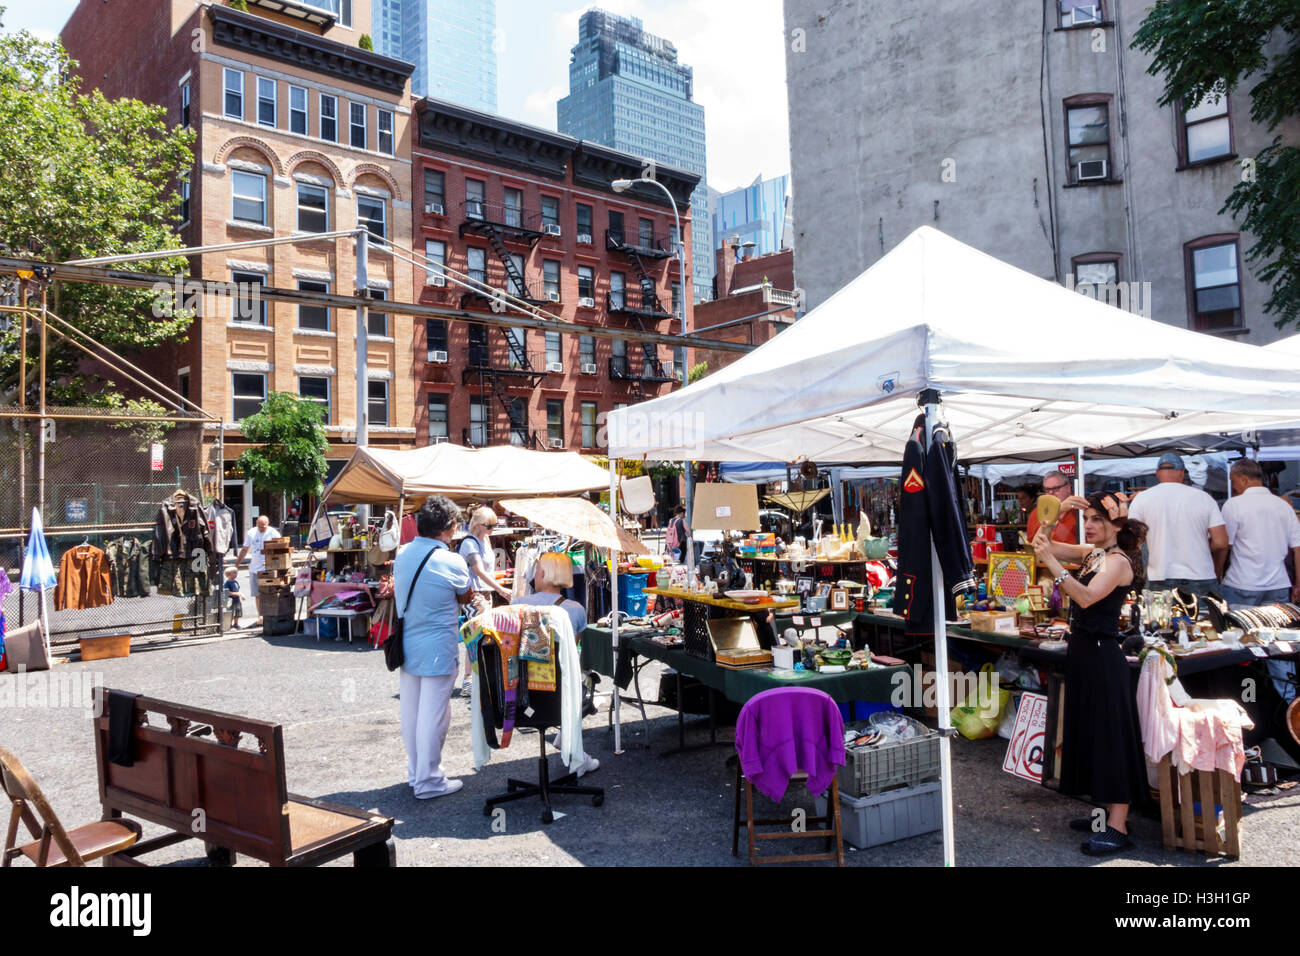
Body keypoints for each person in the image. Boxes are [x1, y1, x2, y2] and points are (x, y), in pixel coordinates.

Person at [1033, 492, 1150, 856]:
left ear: (1118, 523)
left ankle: (1118, 825)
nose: (1091, 525)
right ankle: (1105, 815)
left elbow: (1085, 597)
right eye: (1089, 519)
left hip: (1102, 656)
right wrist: (1057, 513)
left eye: (1099, 519)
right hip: (1084, 653)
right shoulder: (1094, 554)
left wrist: (1053, 564)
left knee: (1111, 738)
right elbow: (1040, 544)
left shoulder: (1118, 561)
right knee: (1092, 735)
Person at [394, 496, 485, 799]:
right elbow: (467, 596)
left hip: (406, 644)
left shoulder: (403, 553)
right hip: (436, 647)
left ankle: (416, 772)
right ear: (448, 528)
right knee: (434, 715)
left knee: (412, 712)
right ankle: (429, 780)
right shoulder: (451, 559)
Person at [510, 552, 600, 775]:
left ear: (541, 573)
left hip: (520, 689)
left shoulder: (518, 605)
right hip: (558, 693)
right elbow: (569, 655)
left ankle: (571, 747)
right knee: (579, 682)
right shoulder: (576, 610)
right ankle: (574, 750)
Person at [1221, 458, 1300, 704]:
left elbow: (1225, 545)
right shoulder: (1283, 506)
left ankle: (1250, 703)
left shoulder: (1234, 505)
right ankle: (1288, 706)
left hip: (1241, 584)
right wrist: (1298, 583)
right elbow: (1298, 548)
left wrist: (1218, 572)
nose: (1234, 487)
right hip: (1278, 584)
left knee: (1244, 648)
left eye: (1234, 482)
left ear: (1243, 479)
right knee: (1280, 648)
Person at [1127, 452, 1228, 596]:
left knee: (1163, 618)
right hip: (1201, 575)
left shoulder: (1141, 499)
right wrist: (1202, 547)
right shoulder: (1204, 498)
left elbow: (1133, 539)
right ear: (1182, 472)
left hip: (1160, 576)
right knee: (1203, 618)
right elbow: (1221, 542)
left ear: (1157, 473)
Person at [458, 506, 510, 697]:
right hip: (474, 594)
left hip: (485, 592)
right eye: (489, 526)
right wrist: (501, 589)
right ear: (478, 525)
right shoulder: (469, 543)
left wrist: (497, 586)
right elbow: (479, 570)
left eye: (494, 525)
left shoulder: (485, 540)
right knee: (476, 635)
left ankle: (478, 678)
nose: (492, 529)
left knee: (483, 634)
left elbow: (487, 570)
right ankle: (468, 679)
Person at [236, 514, 281, 628]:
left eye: (264, 527)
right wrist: (237, 564)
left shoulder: (273, 533)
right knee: (257, 594)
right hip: (254, 568)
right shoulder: (251, 533)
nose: (262, 529)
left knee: (269, 593)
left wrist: (271, 562)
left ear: (268, 524)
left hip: (268, 568)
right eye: (260, 527)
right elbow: (245, 549)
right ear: (256, 523)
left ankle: (269, 615)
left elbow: (280, 550)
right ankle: (260, 615)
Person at [1026, 471, 1080, 544]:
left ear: (1068, 488)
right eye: (1047, 489)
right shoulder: (1036, 513)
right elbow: (1031, 544)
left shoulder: (1080, 509)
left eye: (1056, 488)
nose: (1051, 493)